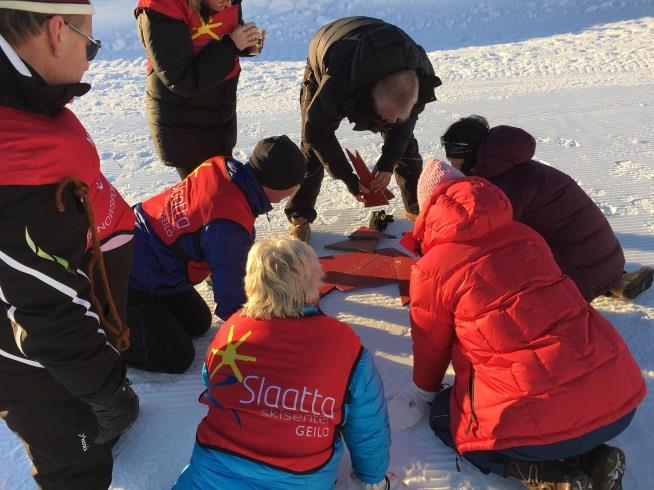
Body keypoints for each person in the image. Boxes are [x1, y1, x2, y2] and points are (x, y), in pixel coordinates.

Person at [390, 159, 646, 489]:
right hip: (621, 404)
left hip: (538, 425)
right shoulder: (528, 236)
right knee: (559, 408)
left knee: (446, 417)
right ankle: (595, 460)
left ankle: (558, 477)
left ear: (430, 211)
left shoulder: (432, 268)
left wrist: (420, 393)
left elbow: (431, 345)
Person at [0, 2, 139, 488]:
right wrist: (108, 391)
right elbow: (47, 313)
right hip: (25, 365)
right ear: (57, 31)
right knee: (76, 466)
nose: (90, 60)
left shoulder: (20, 104)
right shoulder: (26, 158)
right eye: (91, 44)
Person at [174, 236, 395, 489]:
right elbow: (368, 422)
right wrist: (373, 478)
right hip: (300, 478)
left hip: (212, 468)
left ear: (250, 282)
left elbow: (211, 379)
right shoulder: (344, 345)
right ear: (313, 281)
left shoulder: (232, 331)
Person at [124, 136, 306, 374]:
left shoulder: (223, 167)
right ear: (277, 184)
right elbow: (231, 297)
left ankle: (150, 311)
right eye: (293, 187)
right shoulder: (228, 223)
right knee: (177, 357)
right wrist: (264, 341)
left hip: (149, 253)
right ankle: (106, 333)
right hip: (126, 275)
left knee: (197, 323)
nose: (293, 193)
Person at [439, 115, 653, 301]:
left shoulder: (504, 188)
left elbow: (483, 235)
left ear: (470, 156)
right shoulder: (517, 168)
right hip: (606, 259)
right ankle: (613, 281)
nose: (453, 168)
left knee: (494, 266)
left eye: (454, 162)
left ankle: (584, 287)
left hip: (576, 273)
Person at [287, 16, 442, 242]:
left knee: (404, 142)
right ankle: (299, 216)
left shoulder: (420, 77)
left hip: (377, 42)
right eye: (384, 118)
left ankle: (416, 208)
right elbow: (317, 132)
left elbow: (403, 129)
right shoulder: (339, 83)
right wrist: (349, 178)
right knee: (311, 150)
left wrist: (388, 162)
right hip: (327, 48)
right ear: (371, 99)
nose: (387, 124)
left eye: (396, 118)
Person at [135, 0, 263, 179]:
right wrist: (231, 46)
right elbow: (180, 79)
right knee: (204, 193)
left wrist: (244, 41)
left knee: (221, 185)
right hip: (183, 119)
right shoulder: (162, 6)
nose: (228, 4)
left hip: (220, 111)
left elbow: (213, 36)